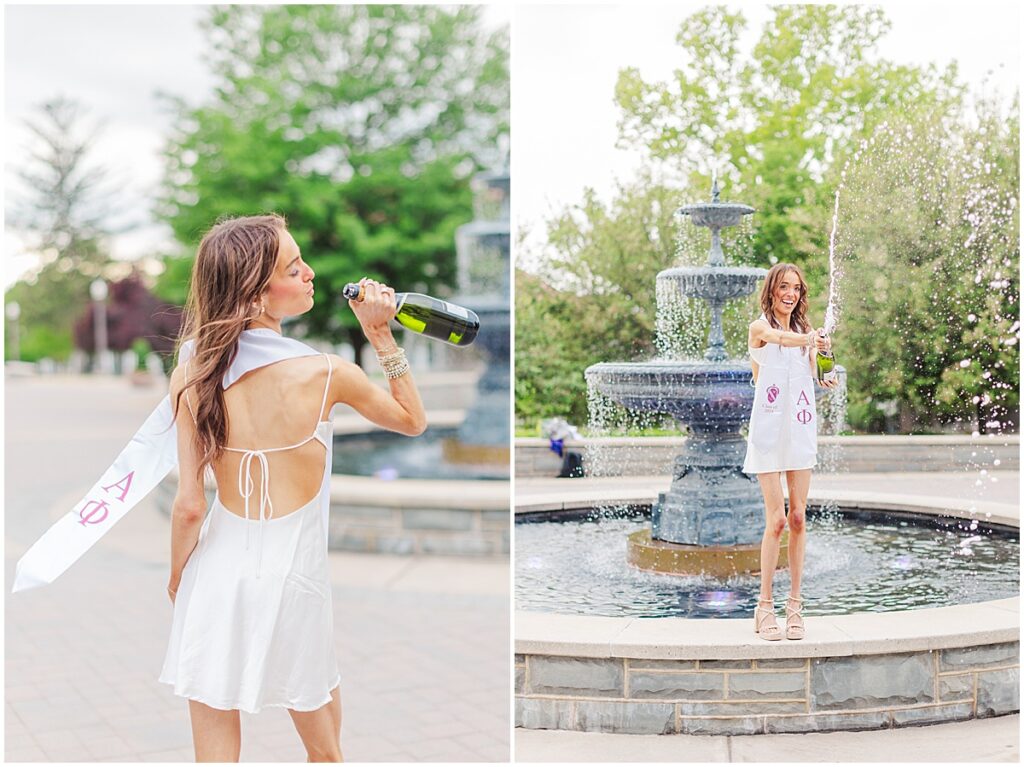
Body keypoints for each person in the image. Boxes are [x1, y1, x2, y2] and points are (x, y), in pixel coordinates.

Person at [158, 214, 426, 761]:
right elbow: (413, 422)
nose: (309, 273)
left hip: (215, 576)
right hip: (293, 584)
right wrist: (379, 332)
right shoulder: (326, 372)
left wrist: (176, 577)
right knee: (325, 755)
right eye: (293, 266)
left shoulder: (191, 370)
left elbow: (189, 506)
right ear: (257, 294)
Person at [742, 263, 836, 642]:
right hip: (766, 433)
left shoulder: (804, 333)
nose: (791, 293)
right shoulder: (760, 328)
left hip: (799, 429)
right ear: (772, 289)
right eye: (784, 286)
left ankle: (795, 605)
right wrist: (811, 339)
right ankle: (764, 606)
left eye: (796, 288)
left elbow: (818, 372)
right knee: (776, 520)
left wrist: (826, 368)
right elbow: (780, 340)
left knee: (798, 517)